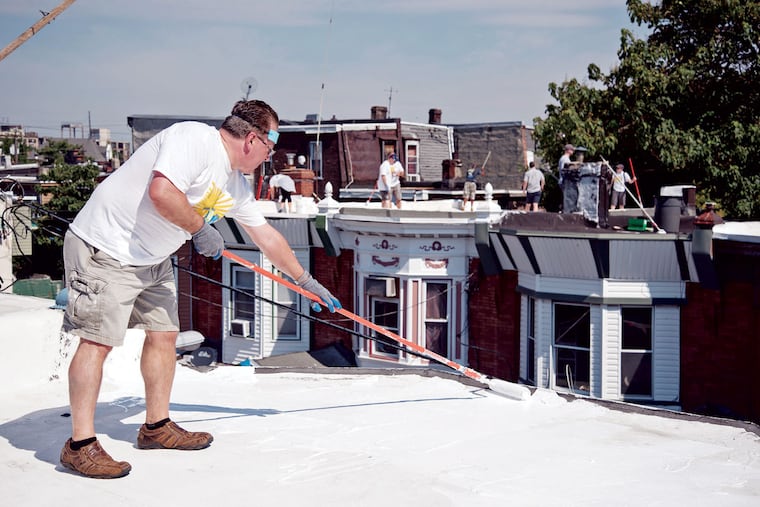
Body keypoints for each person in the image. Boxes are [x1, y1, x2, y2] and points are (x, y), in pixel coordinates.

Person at [58, 99, 341, 479]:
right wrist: (199, 229)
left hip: (151, 257)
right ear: (252, 140)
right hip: (107, 245)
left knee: (165, 335)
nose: (269, 158)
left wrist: (304, 281)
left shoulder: (235, 185)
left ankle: (156, 428)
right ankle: (79, 445)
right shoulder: (194, 139)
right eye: (270, 149)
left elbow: (266, 237)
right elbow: (162, 192)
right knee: (98, 341)